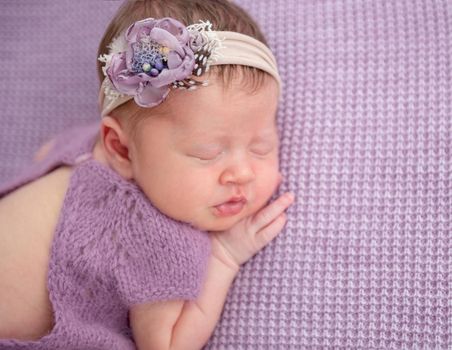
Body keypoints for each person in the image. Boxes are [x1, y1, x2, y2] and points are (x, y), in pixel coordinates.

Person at [0, 0, 294, 349]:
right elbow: (167, 345)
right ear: (121, 148)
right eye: (207, 152)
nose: (242, 173)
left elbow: (46, 153)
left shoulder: (86, 144)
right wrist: (225, 256)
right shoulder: (158, 236)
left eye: (261, 147)